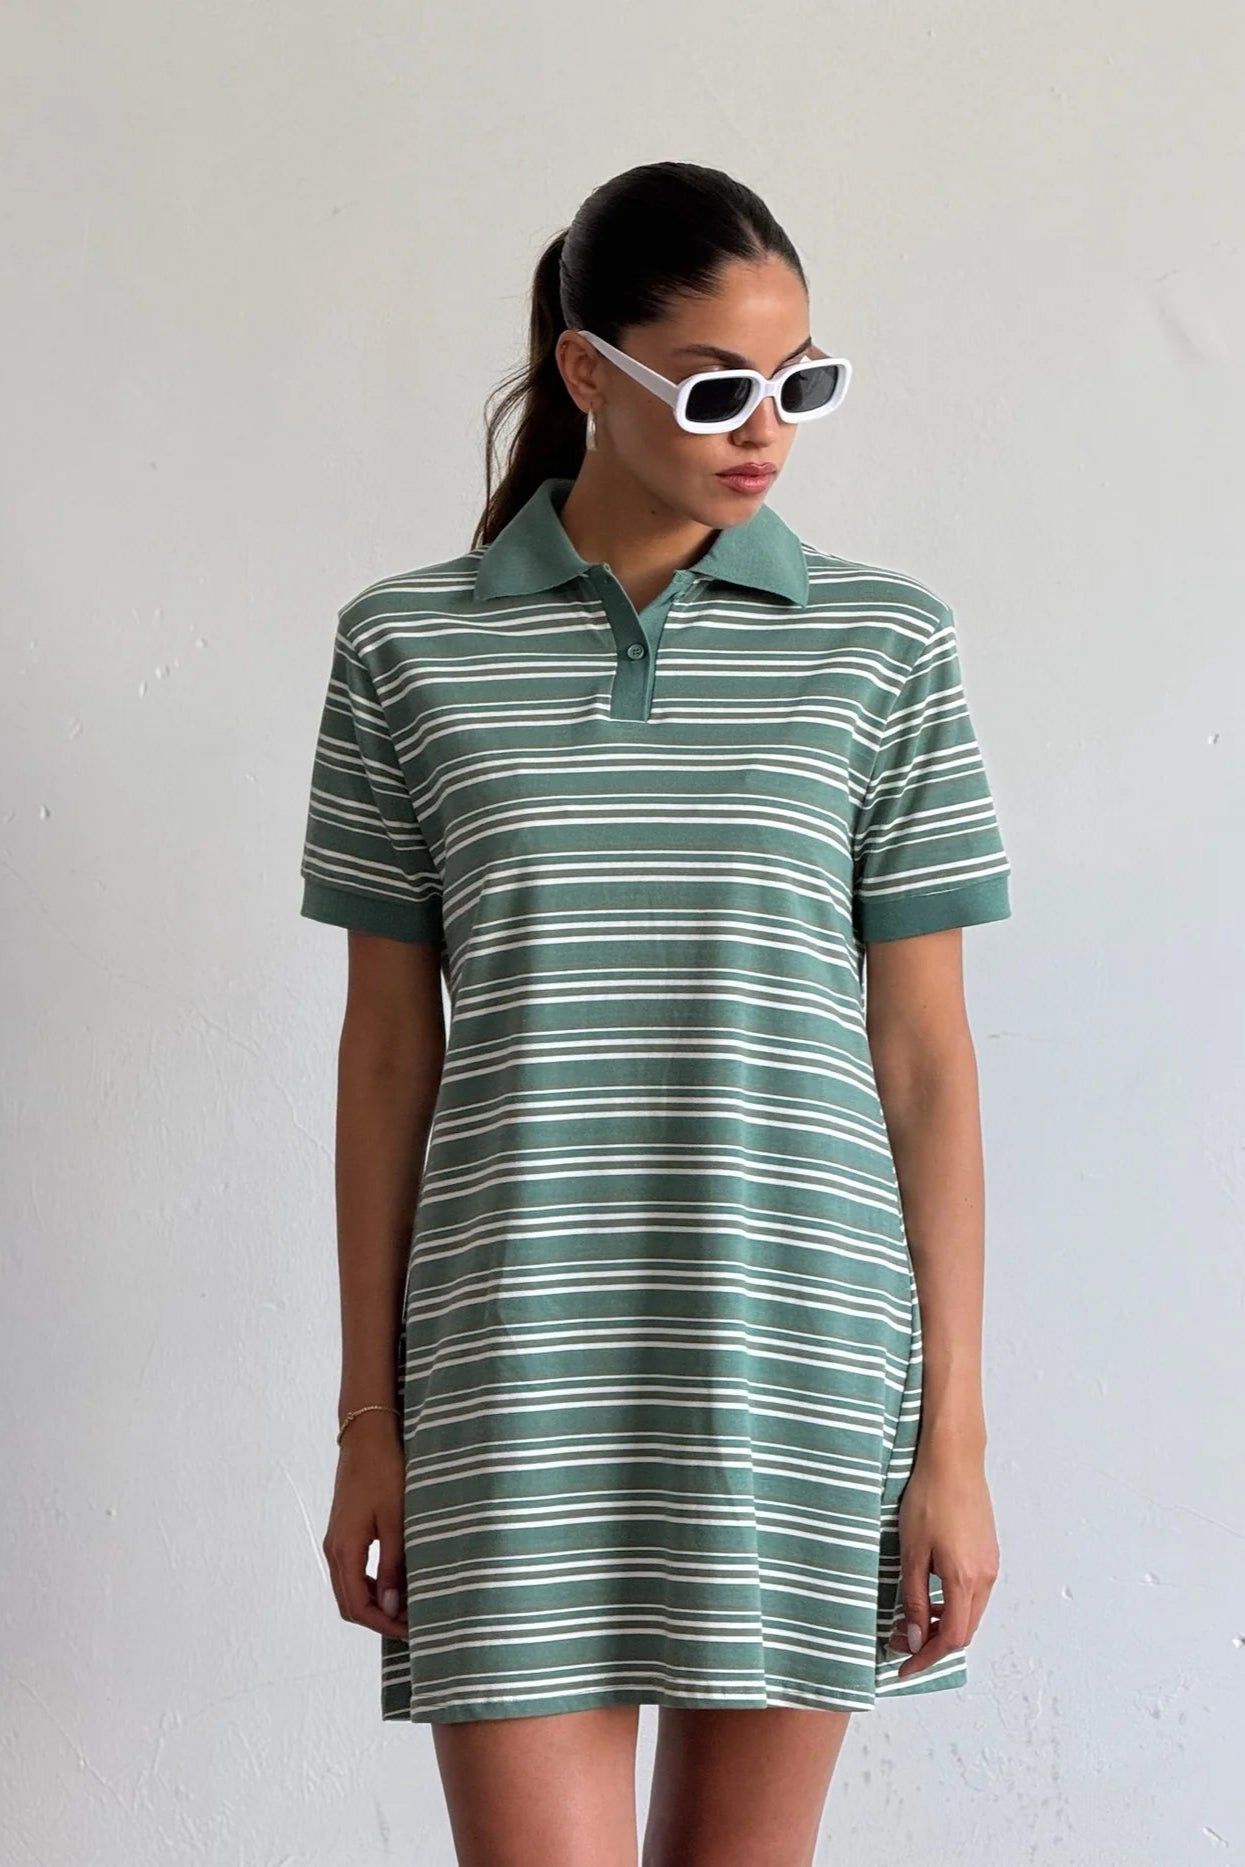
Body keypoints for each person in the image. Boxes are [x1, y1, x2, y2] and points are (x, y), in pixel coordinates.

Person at [299, 159, 1012, 1867]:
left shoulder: (883, 645)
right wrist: (366, 1422)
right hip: (508, 1364)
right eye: (712, 388)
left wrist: (954, 1440)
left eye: (797, 385)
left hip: (797, 1349)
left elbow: (924, 1060)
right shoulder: (405, 648)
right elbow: (388, 1055)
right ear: (584, 372)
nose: (762, 432)